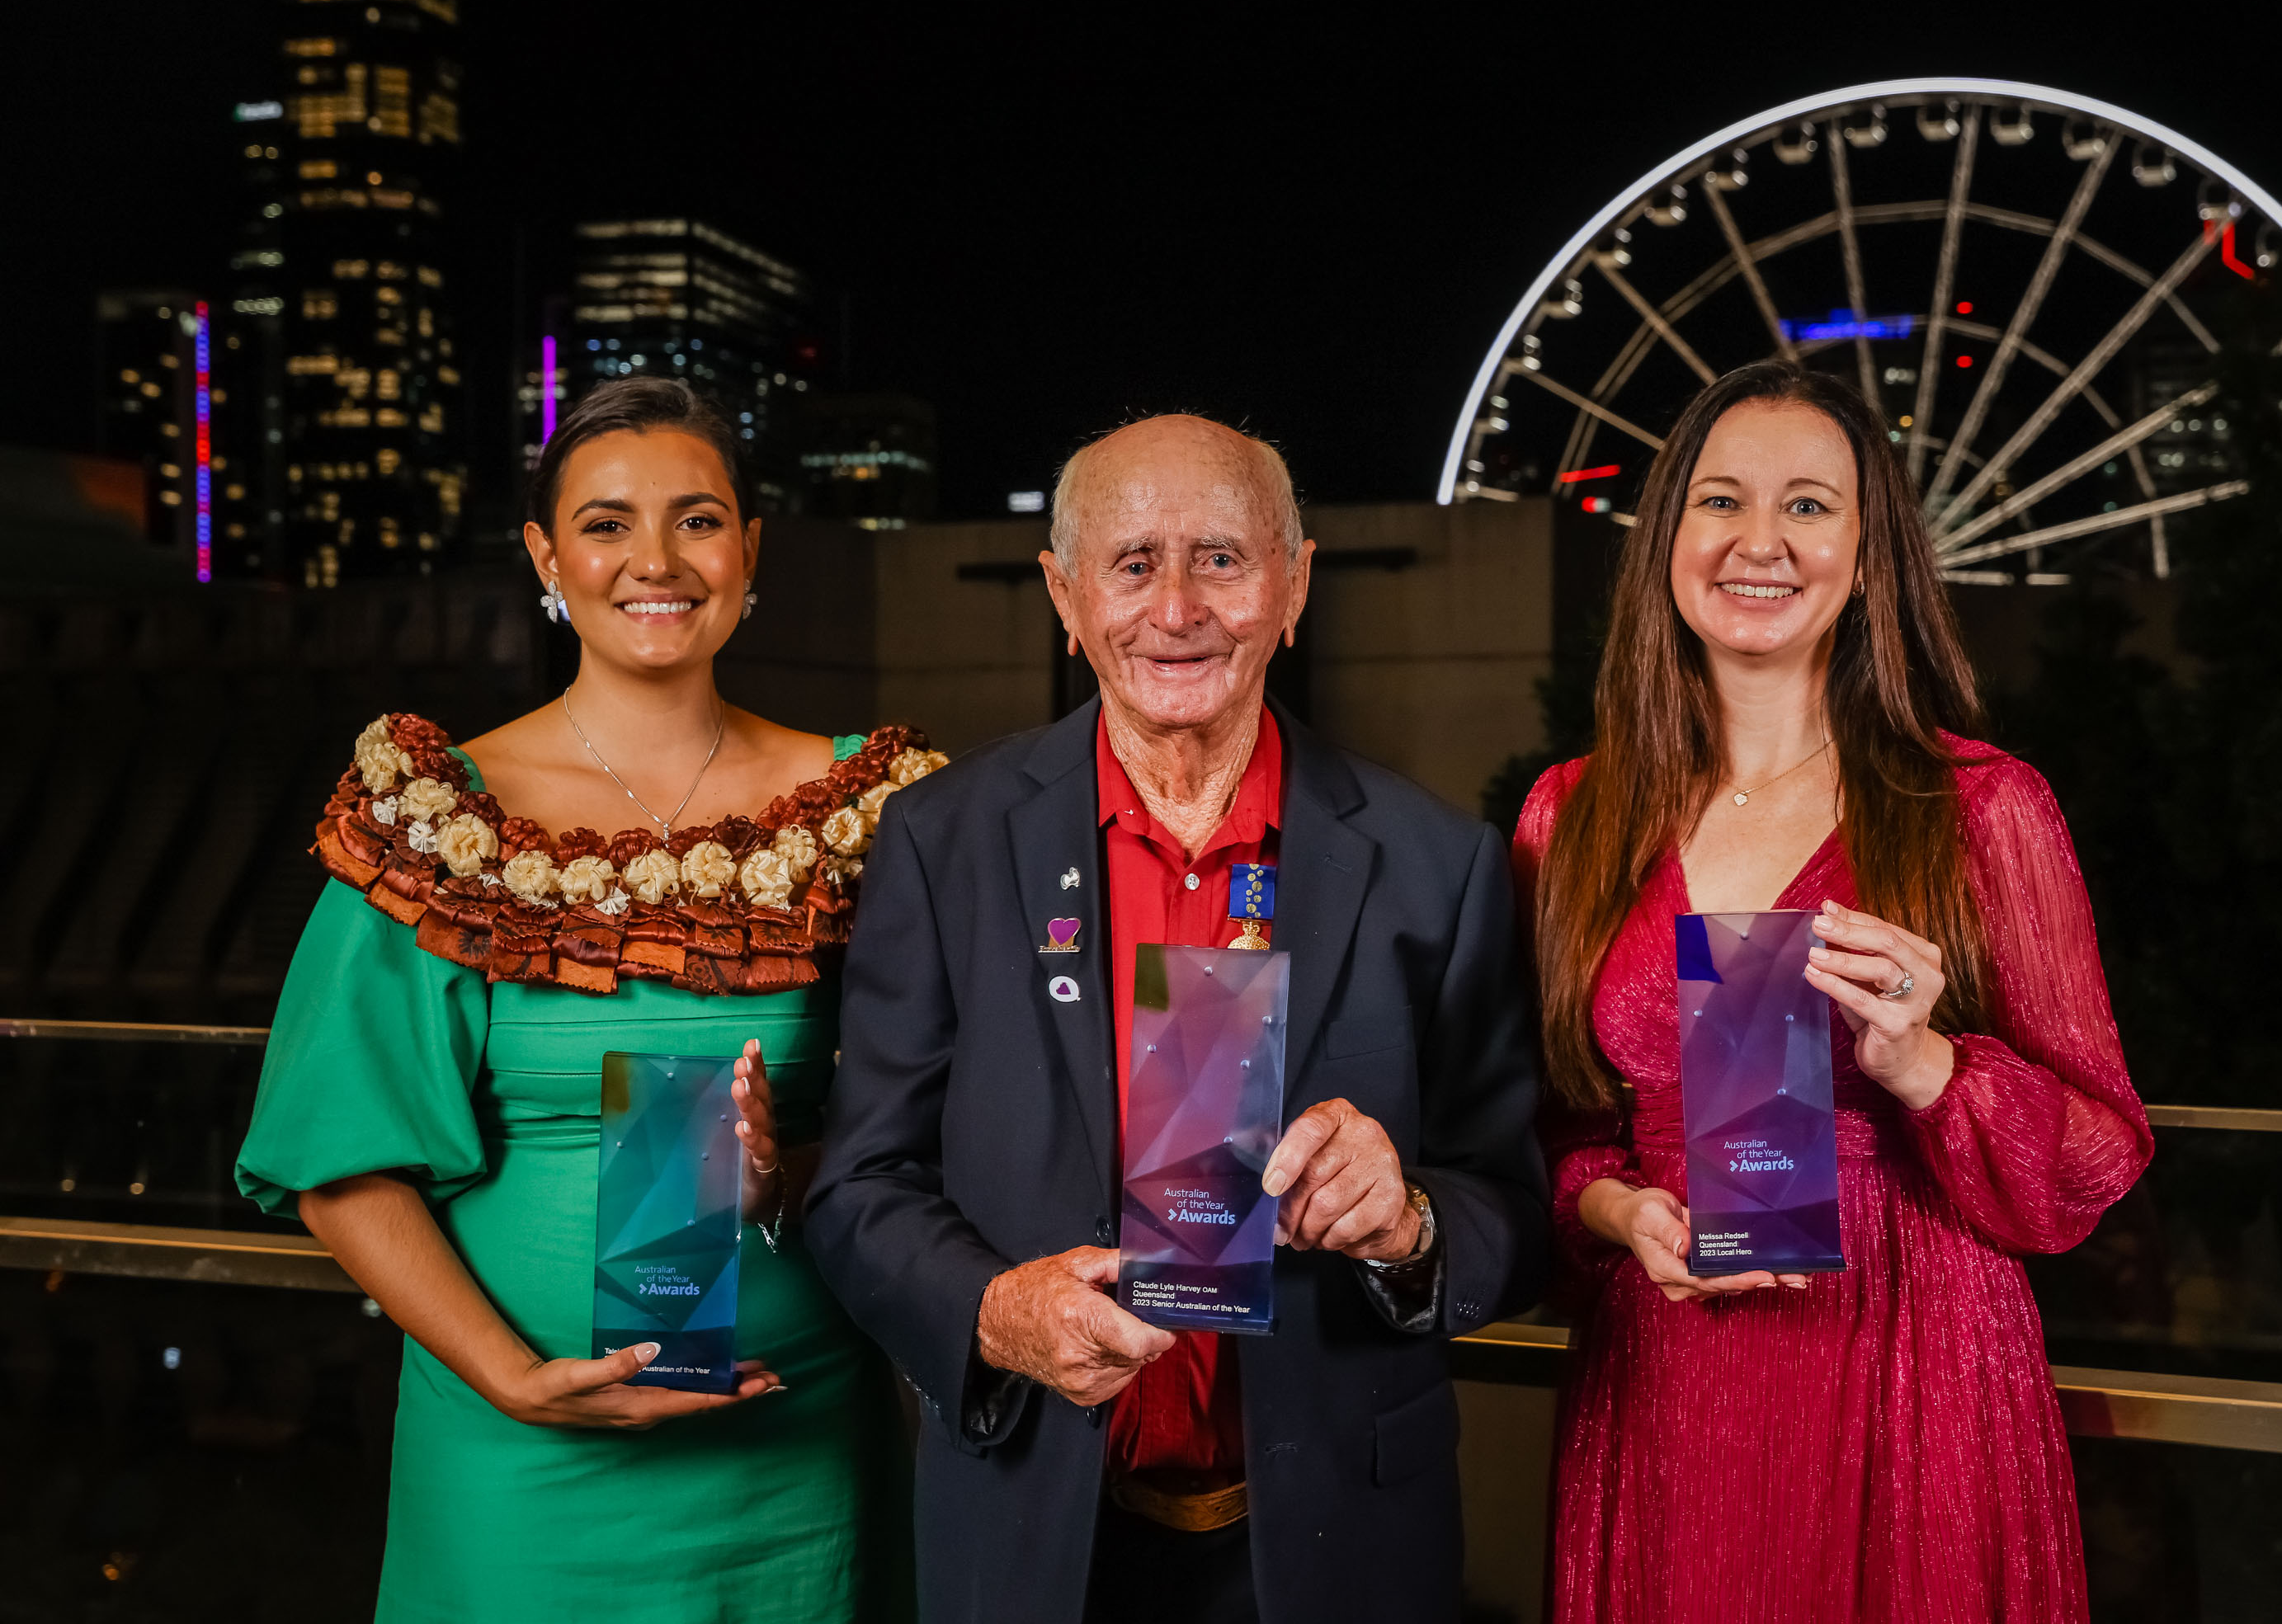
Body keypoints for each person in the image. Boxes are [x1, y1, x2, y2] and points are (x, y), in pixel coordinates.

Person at [787, 414, 1547, 1624]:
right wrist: (992, 1311)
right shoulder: (945, 844)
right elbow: (860, 1183)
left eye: (1224, 559)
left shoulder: (1433, 864)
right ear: (1067, 596)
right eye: (1134, 563)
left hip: (1338, 1540)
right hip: (1034, 1521)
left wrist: (1408, 1222)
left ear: (1294, 585)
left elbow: (1516, 1197)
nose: (1179, 607)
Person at [235, 378, 932, 1623]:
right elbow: (338, 1160)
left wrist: (802, 1165)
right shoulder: (440, 815)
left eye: (698, 519)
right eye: (606, 524)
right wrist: (513, 1378)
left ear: (751, 549)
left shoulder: (874, 811)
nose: (654, 561)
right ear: (546, 557)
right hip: (516, 1459)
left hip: (794, 1456)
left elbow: (962, 1117)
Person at [1516, 361, 2152, 1623]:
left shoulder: (1983, 808)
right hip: (1665, 1381)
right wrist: (1618, 1213)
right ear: (1668, 546)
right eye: (1721, 502)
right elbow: (1549, 1134)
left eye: (1810, 506)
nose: (1761, 541)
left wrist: (1929, 1065)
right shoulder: (1570, 817)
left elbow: (2101, 1155)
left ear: (1870, 558)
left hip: (1918, 1384)